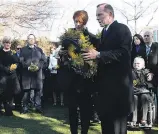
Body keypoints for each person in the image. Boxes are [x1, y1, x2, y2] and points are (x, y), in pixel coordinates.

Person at [82, 3, 133, 134]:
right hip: (105, 91)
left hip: (118, 90)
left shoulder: (122, 29)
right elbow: (100, 46)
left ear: (110, 14)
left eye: (100, 15)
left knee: (117, 129)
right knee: (107, 126)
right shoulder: (105, 32)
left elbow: (123, 53)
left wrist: (98, 54)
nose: (98, 18)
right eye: (96, 16)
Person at [59, 10, 99, 134]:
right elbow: (63, 55)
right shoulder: (67, 37)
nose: (77, 24)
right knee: (72, 109)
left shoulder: (92, 38)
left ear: (85, 22)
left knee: (85, 110)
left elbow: (96, 57)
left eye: (80, 22)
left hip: (85, 80)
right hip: (71, 79)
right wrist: (62, 55)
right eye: (75, 21)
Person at [20, 34, 46, 114]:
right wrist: (27, 67)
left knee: (38, 91)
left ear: (35, 40)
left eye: (32, 38)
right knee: (26, 92)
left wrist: (38, 67)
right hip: (27, 74)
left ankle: (38, 107)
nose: (31, 40)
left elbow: (43, 60)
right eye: (29, 38)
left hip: (37, 74)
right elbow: (21, 60)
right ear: (27, 40)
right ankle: (25, 107)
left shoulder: (39, 50)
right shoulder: (23, 50)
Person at [129, 57, 153, 127]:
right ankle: (134, 120)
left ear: (143, 65)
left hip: (144, 91)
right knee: (134, 98)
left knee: (144, 97)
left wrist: (150, 76)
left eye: (138, 63)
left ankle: (144, 120)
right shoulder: (130, 72)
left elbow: (149, 79)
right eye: (135, 63)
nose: (136, 65)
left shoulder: (146, 72)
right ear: (133, 65)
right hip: (134, 92)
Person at [0, 36, 21, 116]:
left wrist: (14, 66)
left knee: (11, 93)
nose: (8, 44)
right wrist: (6, 69)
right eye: (6, 43)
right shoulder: (0, 52)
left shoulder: (13, 53)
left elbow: (17, 63)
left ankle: (8, 111)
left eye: (9, 43)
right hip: (2, 76)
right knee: (2, 93)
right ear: (3, 43)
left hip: (12, 76)